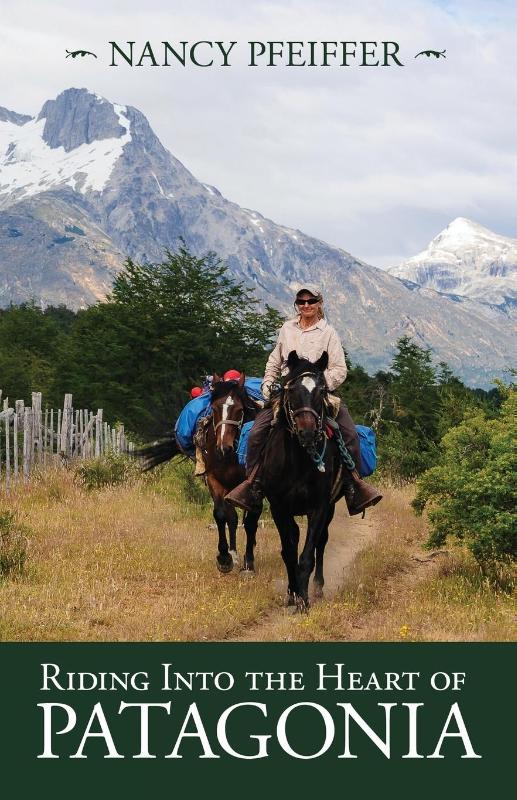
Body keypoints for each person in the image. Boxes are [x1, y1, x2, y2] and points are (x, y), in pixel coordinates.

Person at [225, 285, 382, 515]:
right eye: (301, 302)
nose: (306, 305)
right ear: (297, 305)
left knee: (348, 433)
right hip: (289, 392)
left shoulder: (328, 332)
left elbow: (339, 369)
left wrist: (316, 385)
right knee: (257, 432)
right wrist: (268, 383)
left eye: (311, 301)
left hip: (318, 392)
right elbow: (274, 361)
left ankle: (353, 485)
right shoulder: (287, 329)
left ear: (319, 303)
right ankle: (253, 484)